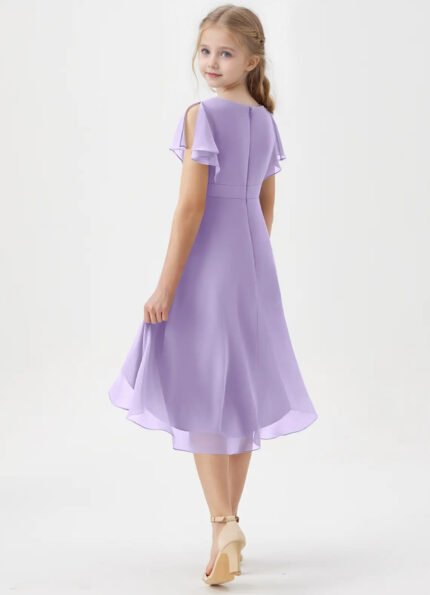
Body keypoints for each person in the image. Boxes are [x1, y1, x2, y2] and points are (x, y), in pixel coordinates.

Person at [108, 4, 318, 586]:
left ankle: (223, 523)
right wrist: (252, 267)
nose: (211, 62)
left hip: (207, 267)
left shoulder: (201, 116)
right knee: (239, 395)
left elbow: (190, 209)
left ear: (251, 60)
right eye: (205, 51)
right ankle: (227, 528)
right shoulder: (266, 122)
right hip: (253, 267)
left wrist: (166, 284)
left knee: (204, 390)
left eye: (225, 53)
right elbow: (265, 206)